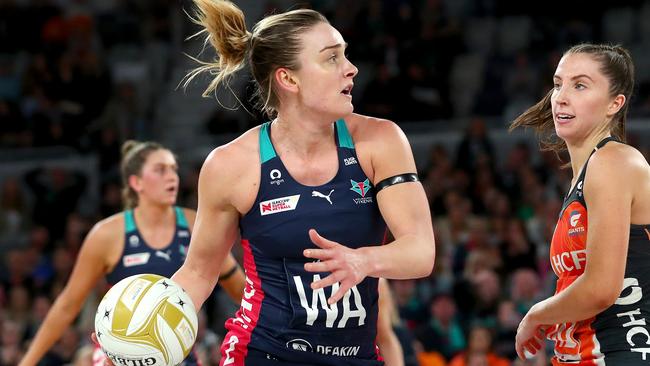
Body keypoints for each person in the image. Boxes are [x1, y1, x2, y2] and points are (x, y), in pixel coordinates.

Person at [173, 1, 435, 365]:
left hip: (355, 356)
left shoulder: (382, 141)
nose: (351, 69)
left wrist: (363, 260)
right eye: (332, 58)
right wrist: (133, 333)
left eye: (345, 55)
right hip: (262, 352)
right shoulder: (231, 164)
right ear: (289, 79)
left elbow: (421, 252)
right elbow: (199, 273)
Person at [19, 140, 246, 366]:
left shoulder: (192, 223)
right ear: (136, 182)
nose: (172, 177)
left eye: (173, 170)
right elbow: (68, 305)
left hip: (177, 356)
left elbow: (242, 291)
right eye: (160, 170)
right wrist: (27, 362)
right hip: (117, 357)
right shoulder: (107, 234)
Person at [511, 43, 650, 364]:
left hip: (621, 352)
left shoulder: (613, 161)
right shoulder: (587, 172)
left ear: (614, 104)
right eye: (558, 83)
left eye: (580, 85)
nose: (561, 96)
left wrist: (536, 314)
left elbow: (602, 288)